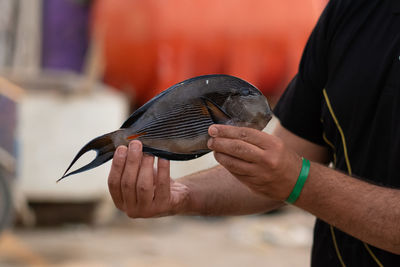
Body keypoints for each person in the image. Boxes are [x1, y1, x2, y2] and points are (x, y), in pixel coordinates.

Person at [107, 0, 400, 265]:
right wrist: (182, 195)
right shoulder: (353, 10)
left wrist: (299, 180)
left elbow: (292, 175)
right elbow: (285, 161)